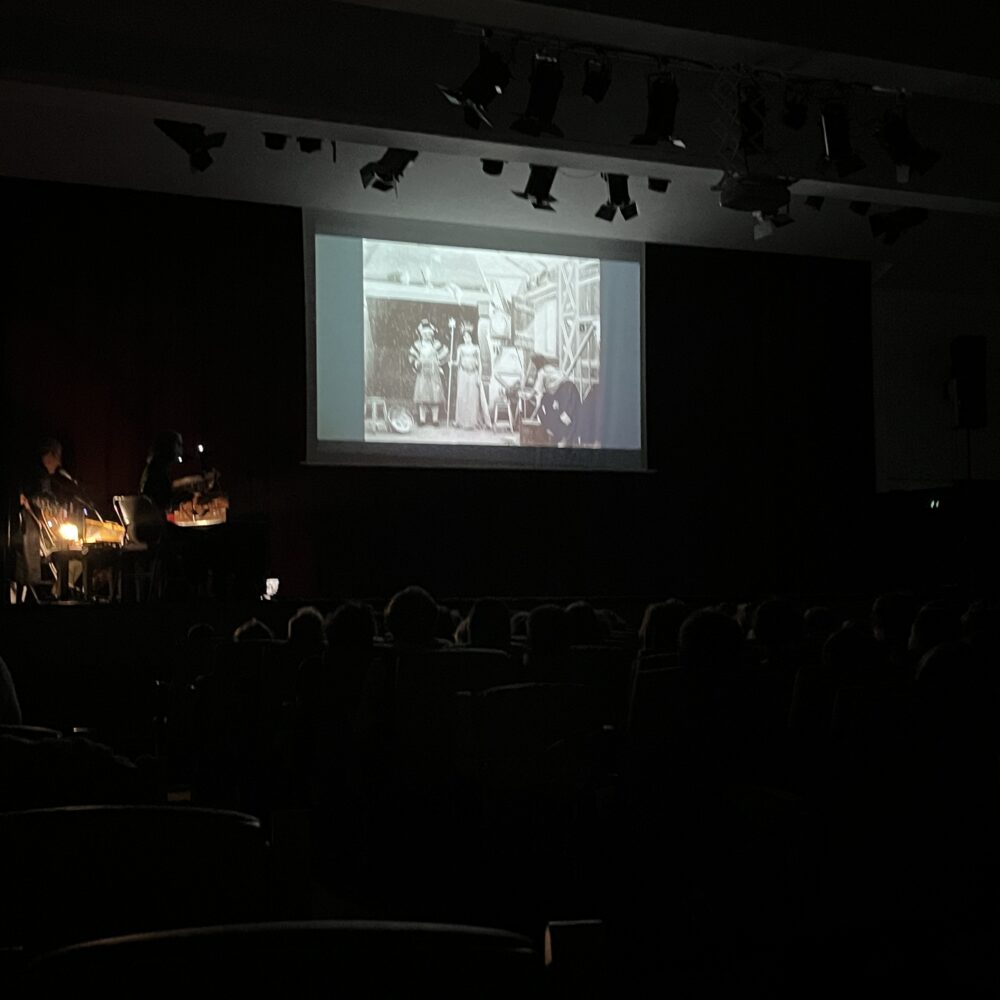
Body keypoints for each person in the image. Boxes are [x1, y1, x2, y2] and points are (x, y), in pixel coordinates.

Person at [528, 354, 581, 446]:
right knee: (570, 415)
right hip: (572, 389)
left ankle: (562, 440)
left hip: (564, 391)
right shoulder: (554, 368)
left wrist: (528, 397)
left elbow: (537, 390)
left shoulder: (542, 372)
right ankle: (568, 440)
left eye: (533, 365)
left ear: (536, 363)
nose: (532, 367)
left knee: (562, 416)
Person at [408, 319, 447, 426]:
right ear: (421, 334)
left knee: (435, 396)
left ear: (432, 334)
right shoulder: (417, 345)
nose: (427, 336)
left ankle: (435, 419)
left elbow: (444, 355)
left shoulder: (437, 344)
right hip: (422, 374)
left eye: (429, 334)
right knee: (422, 397)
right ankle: (422, 419)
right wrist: (416, 363)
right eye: (425, 334)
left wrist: (439, 362)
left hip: (434, 374)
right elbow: (412, 356)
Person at [453, 324, 484, 429]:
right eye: (464, 337)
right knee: (462, 396)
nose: (466, 339)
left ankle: (472, 421)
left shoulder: (476, 348)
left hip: (473, 373)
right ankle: (460, 421)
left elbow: (480, 364)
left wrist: (479, 377)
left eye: (468, 337)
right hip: (463, 373)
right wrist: (452, 363)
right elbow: (457, 362)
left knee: (472, 397)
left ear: (471, 337)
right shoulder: (460, 348)